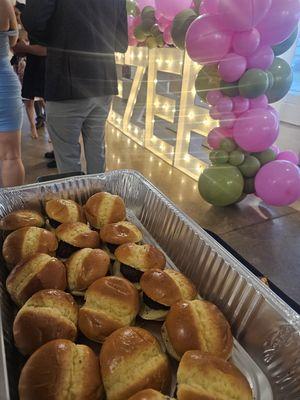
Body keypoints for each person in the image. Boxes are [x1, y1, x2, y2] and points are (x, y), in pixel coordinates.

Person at [21, 0, 128, 174]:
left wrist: (59, 37)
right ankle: (100, 199)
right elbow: (121, 42)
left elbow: (33, 20)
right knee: (97, 155)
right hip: (103, 80)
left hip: (66, 81)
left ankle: (77, 201)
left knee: (68, 166)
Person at [0, 0, 25, 187]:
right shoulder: (4, 3)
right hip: (4, 83)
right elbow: (12, 41)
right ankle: (13, 215)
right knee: (11, 156)